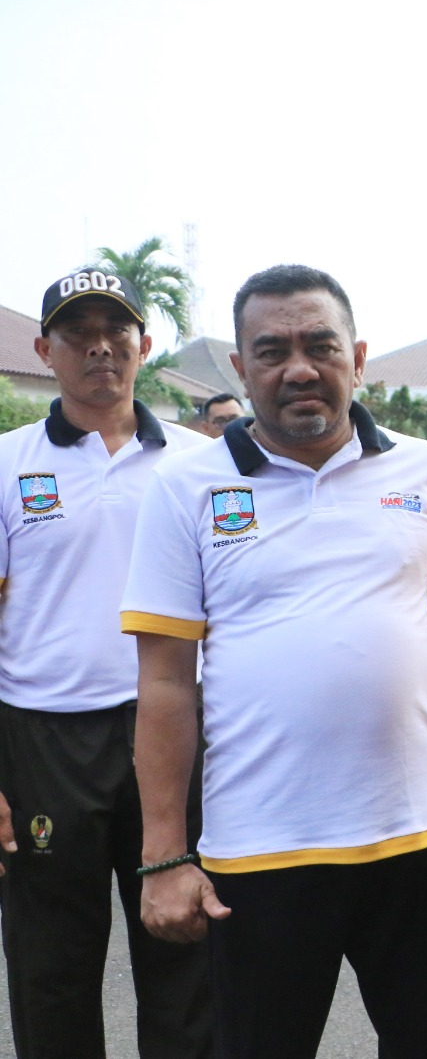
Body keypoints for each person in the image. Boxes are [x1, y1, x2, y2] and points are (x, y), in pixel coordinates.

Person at [120, 264, 427, 1059]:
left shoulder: (424, 471)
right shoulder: (185, 486)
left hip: (414, 842)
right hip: (259, 850)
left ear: (357, 358)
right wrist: (164, 856)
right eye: (272, 351)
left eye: (320, 346)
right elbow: (163, 684)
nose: (298, 368)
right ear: (242, 368)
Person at [0, 268, 213, 1058]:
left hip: (177, 728)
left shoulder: (199, 462)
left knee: (187, 949)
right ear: (44, 351)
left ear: (143, 346)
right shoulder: (8, 462)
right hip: (45, 740)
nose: (99, 347)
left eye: (115, 331)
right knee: (51, 966)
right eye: (77, 333)